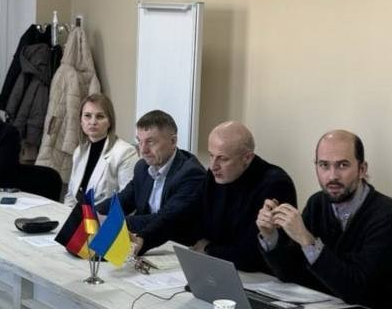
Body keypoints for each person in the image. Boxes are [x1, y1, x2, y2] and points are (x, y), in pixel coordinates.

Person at [258, 130, 392, 309]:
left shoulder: (389, 217)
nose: (332, 176)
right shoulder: (317, 203)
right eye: (324, 165)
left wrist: (307, 241)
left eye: (342, 165)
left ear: (362, 169)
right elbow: (291, 274)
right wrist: (270, 236)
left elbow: (356, 289)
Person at [189, 121, 295, 273]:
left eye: (223, 158)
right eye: (211, 155)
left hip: (260, 277)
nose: (213, 166)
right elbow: (192, 217)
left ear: (247, 158)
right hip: (219, 267)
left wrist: (209, 249)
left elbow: (253, 255)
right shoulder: (215, 175)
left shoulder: (276, 184)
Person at [113, 110, 207, 255]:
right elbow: (123, 199)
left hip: (178, 250)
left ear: (173, 141)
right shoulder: (143, 167)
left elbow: (167, 218)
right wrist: (94, 214)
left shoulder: (191, 173)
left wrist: (115, 223)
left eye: (150, 142)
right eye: (139, 141)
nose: (143, 150)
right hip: (147, 243)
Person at [62, 93, 138, 209]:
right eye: (87, 116)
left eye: (100, 116)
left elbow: (128, 201)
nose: (92, 122)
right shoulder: (79, 151)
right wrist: (65, 215)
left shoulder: (125, 152)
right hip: (76, 213)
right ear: (81, 120)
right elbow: (71, 195)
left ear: (110, 122)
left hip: (104, 216)